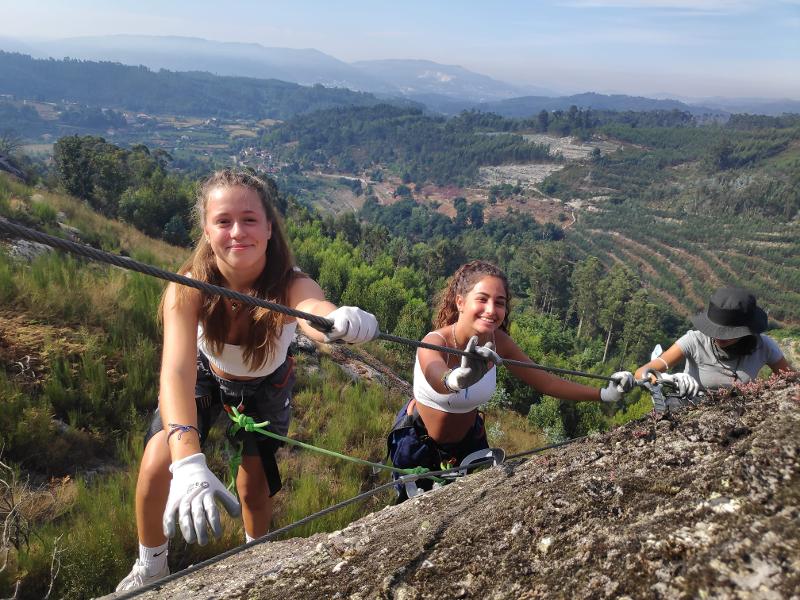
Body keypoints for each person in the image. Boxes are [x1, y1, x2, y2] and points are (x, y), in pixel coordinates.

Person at [116, 170, 378, 592]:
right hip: (206, 377)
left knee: (254, 485)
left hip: (265, 389)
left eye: (250, 220)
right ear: (206, 228)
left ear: (269, 228)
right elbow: (177, 371)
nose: (237, 232)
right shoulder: (186, 288)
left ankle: (256, 560)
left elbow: (311, 308)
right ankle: (151, 564)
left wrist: (337, 321)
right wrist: (187, 459)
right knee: (156, 462)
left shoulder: (289, 282)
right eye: (223, 221)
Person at [387, 260, 634, 501]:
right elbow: (435, 373)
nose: (492, 310)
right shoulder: (435, 342)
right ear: (460, 302)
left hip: (468, 447)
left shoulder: (499, 342)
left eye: (500, 302)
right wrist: (455, 380)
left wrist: (603, 393)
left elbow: (545, 382)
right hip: (417, 445)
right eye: (482, 299)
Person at [634, 286, 792, 398]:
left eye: (729, 332)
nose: (720, 337)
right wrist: (666, 379)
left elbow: (791, 381)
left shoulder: (764, 346)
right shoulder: (695, 341)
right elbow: (641, 372)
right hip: (690, 409)